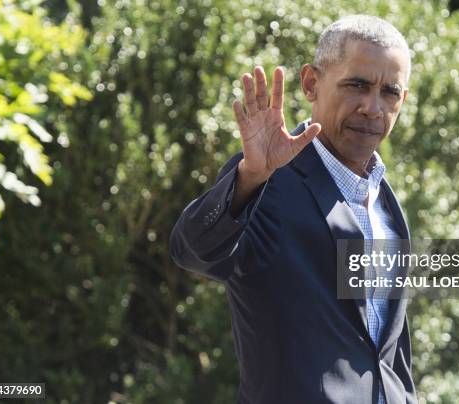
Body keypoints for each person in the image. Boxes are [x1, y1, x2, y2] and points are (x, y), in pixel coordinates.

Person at [170, 15, 416, 404]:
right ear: (311, 84)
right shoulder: (268, 180)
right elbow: (193, 252)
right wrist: (250, 176)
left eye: (390, 92)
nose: (373, 107)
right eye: (357, 85)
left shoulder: (386, 202)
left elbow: (386, 350)